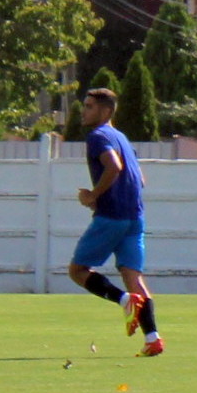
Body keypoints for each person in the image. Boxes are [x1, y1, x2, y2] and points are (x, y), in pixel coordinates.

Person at [68, 88, 163, 356]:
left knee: (77, 271)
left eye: (89, 107)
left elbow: (114, 166)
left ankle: (124, 301)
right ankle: (153, 338)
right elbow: (139, 179)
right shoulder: (121, 137)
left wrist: (94, 195)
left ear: (106, 111)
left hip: (112, 217)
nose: (83, 111)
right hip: (135, 217)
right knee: (133, 277)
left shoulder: (97, 136)